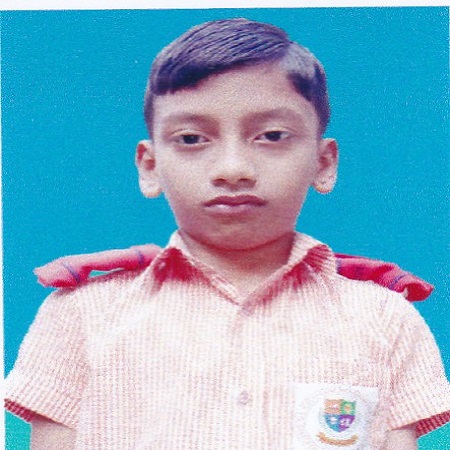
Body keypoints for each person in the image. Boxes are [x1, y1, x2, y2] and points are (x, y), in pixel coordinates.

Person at [5, 18, 449, 450]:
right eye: (191, 139)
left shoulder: (384, 319)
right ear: (150, 166)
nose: (232, 169)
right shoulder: (81, 316)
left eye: (271, 135)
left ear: (324, 162)